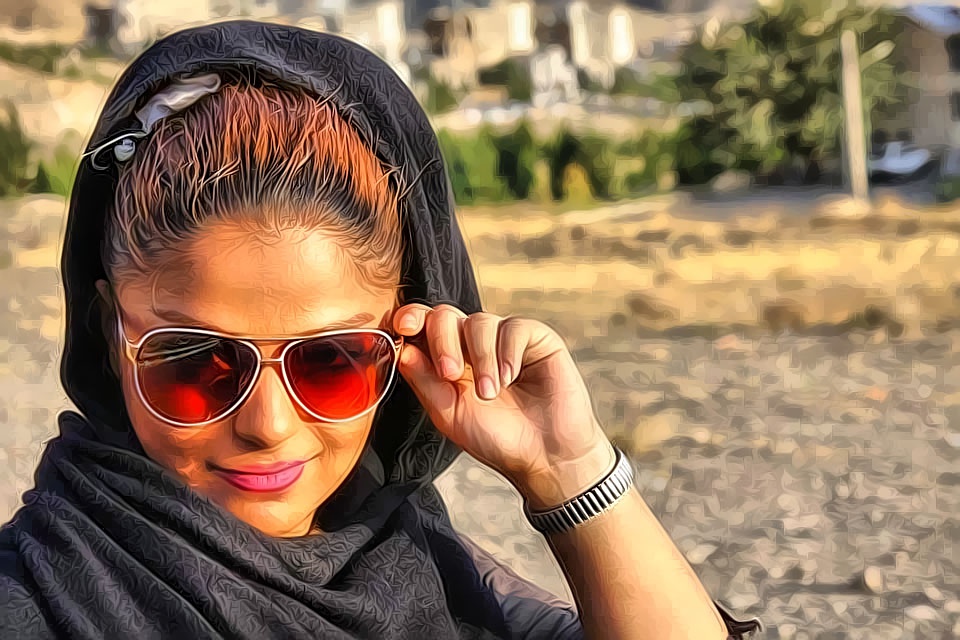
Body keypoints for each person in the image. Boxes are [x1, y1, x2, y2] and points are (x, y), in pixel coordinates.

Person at [0, 20, 763, 640]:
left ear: (405, 341)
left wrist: (568, 469)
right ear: (111, 336)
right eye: (195, 362)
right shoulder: (38, 598)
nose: (268, 425)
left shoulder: (418, 564)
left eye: (331, 361)